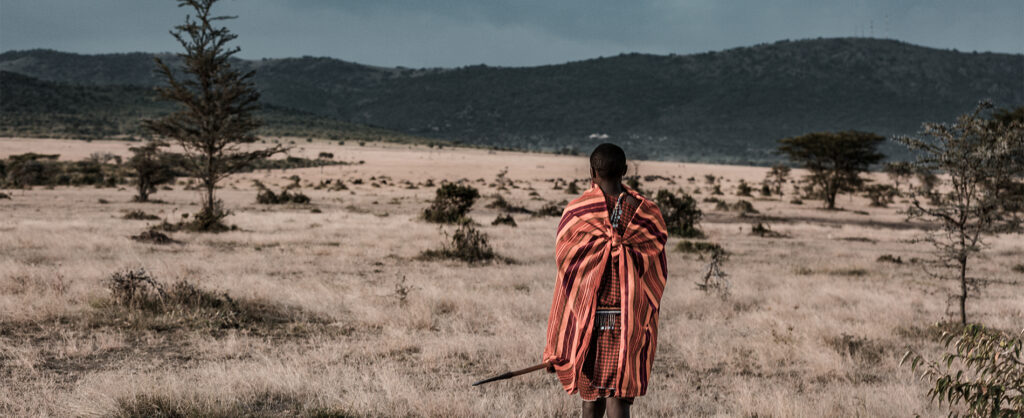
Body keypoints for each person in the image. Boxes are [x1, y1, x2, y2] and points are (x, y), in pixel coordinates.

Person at [543, 143, 668, 418]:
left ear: (591, 172)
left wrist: (557, 346)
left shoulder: (578, 214)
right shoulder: (644, 214)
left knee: (591, 401)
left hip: (589, 325)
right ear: (625, 171)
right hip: (629, 322)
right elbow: (655, 273)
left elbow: (567, 281)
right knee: (619, 401)